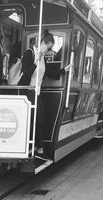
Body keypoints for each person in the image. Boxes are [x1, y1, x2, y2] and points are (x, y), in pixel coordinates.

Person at [18, 30, 71, 158]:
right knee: (36, 120)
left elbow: (49, 73)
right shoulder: (29, 54)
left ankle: (37, 146)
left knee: (39, 120)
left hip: (36, 92)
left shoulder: (42, 58)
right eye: (48, 47)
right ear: (42, 42)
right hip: (27, 92)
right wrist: (35, 63)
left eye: (50, 48)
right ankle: (36, 146)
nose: (48, 50)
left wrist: (65, 70)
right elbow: (25, 74)